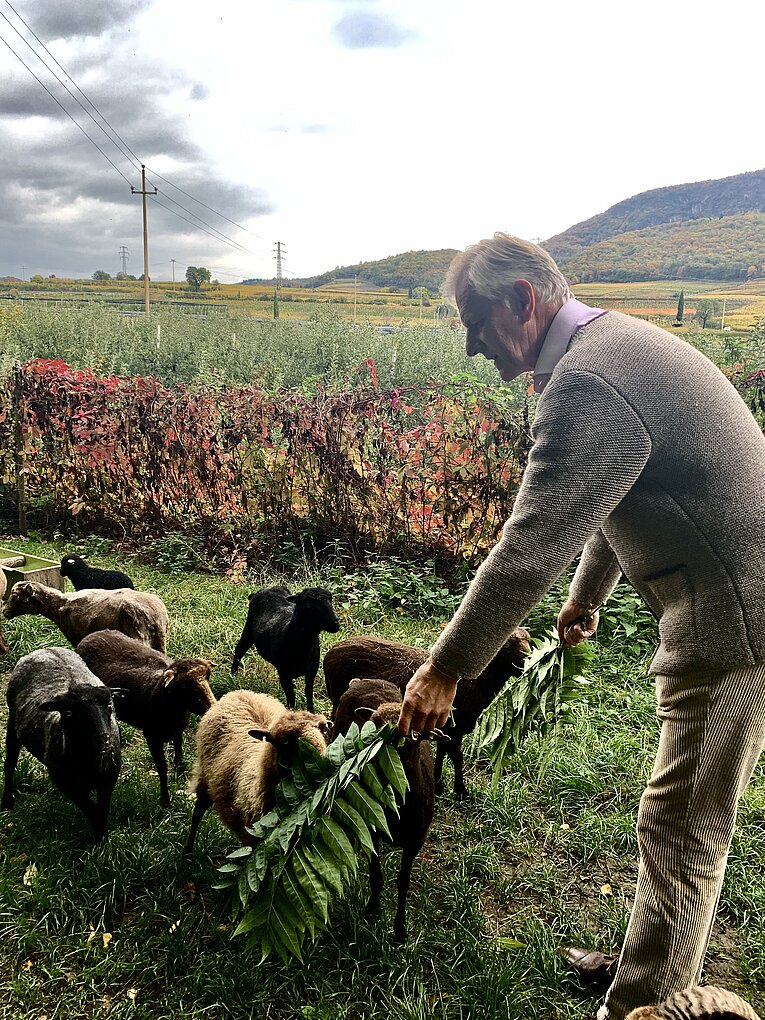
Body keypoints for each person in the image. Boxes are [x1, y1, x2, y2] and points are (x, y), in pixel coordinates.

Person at [396, 233, 765, 1020]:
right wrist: (588, 595)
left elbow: (526, 550)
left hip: (738, 627)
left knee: (681, 829)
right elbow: (608, 496)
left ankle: (645, 1007)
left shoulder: (589, 383)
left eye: (475, 323)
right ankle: (646, 969)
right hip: (738, 606)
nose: (471, 348)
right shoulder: (610, 352)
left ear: (522, 301)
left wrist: (445, 667)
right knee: (673, 819)